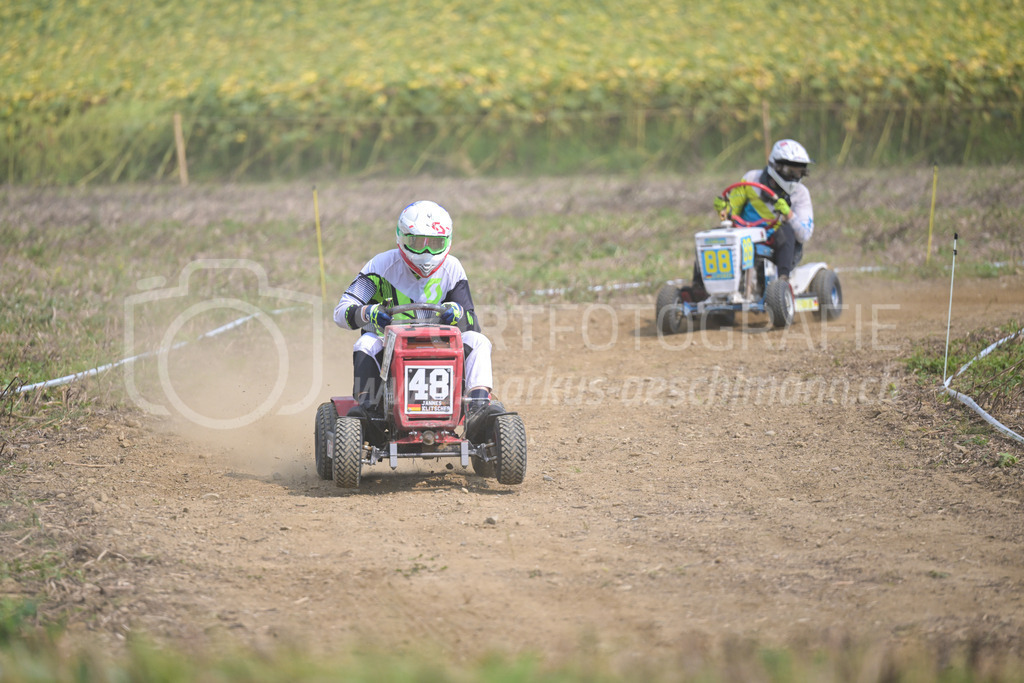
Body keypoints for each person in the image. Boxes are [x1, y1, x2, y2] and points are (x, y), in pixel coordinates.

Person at [333, 200, 504, 446]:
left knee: (478, 341)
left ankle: (477, 409)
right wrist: (368, 313)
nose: (426, 253)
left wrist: (456, 312)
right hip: (389, 350)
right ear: (402, 238)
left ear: (447, 241)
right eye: (418, 242)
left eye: (434, 244)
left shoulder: (452, 268)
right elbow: (341, 311)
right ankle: (369, 412)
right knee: (366, 343)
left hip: (439, 348)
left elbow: (471, 322)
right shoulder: (380, 266)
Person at [688, 139, 814, 300]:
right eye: (792, 171)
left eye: (799, 172)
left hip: (779, 245)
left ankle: (783, 283)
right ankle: (700, 288)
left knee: (786, 231)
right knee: (710, 238)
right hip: (745, 235)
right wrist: (724, 208)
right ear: (777, 166)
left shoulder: (800, 194)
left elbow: (804, 235)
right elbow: (732, 208)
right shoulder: (751, 178)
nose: (796, 176)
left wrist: (789, 214)